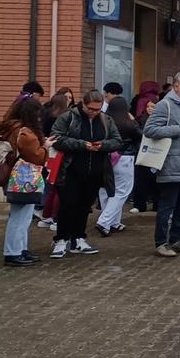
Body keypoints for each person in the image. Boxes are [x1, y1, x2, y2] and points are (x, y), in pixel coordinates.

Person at [49, 90, 122, 259]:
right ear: (83, 104)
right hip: (71, 170)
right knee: (68, 204)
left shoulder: (105, 119)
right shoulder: (69, 117)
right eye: (91, 109)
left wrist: (102, 145)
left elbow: (117, 141)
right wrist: (82, 145)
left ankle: (79, 238)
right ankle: (61, 239)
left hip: (95, 171)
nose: (94, 112)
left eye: (97, 109)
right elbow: (55, 138)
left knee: (84, 206)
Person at [142, 72, 180, 257]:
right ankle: (161, 242)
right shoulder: (165, 105)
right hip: (172, 164)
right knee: (167, 206)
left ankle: (176, 240)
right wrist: (176, 130)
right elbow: (150, 129)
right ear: (176, 86)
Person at [0, 94, 54, 266]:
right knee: (20, 217)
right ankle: (13, 252)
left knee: (21, 215)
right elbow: (37, 157)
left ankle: (20, 249)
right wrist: (46, 147)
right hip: (23, 179)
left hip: (16, 178)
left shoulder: (12, 128)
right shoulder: (25, 132)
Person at [95, 96, 141, 236]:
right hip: (124, 157)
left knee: (105, 188)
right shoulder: (128, 124)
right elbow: (141, 135)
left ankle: (113, 222)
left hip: (105, 157)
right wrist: (134, 121)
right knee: (121, 191)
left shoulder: (102, 121)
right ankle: (105, 221)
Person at [37, 91, 73, 231]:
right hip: (61, 154)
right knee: (60, 187)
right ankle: (57, 217)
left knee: (51, 185)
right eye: (68, 98)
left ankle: (47, 215)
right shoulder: (66, 117)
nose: (70, 100)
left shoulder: (46, 114)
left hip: (49, 152)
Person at [130, 81, 161, 214]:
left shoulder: (160, 120)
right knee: (140, 179)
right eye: (148, 106)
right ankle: (139, 203)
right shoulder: (140, 119)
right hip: (142, 151)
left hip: (155, 152)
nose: (149, 109)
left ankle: (157, 203)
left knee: (155, 180)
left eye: (152, 106)